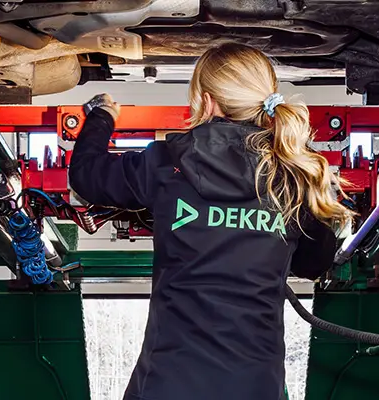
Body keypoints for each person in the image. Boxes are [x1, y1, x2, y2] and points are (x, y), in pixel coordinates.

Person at [68, 43, 351, 400]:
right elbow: (315, 264)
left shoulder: (165, 163)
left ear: (207, 101)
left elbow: (85, 176)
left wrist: (102, 116)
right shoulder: (293, 177)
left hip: (168, 385)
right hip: (255, 387)